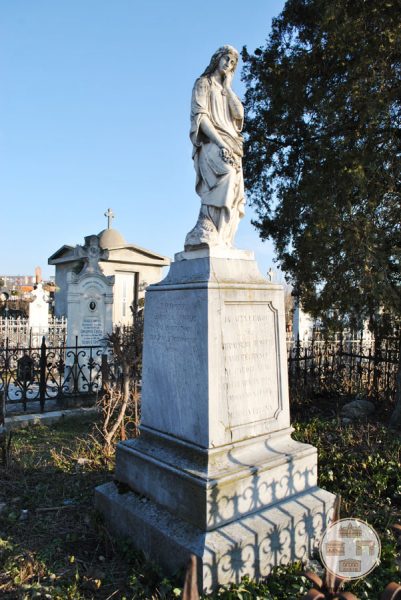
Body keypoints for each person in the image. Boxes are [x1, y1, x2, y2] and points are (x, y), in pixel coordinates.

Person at [185, 45, 245, 250]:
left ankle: (224, 238)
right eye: (226, 59)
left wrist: (228, 88)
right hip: (212, 143)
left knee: (236, 193)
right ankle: (208, 228)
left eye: (233, 63)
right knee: (226, 176)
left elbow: (239, 115)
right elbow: (201, 119)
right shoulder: (203, 84)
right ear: (217, 59)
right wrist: (220, 143)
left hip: (233, 146)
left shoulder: (226, 91)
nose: (228, 64)